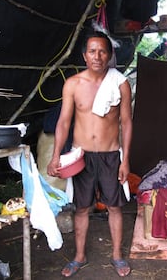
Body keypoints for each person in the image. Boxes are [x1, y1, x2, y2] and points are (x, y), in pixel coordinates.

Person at [47, 31, 133, 277]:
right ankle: (79, 256)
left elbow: (126, 123)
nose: (98, 56)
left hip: (110, 155)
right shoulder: (73, 84)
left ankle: (117, 255)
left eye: (103, 51)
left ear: (110, 55)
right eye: (92, 51)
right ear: (85, 55)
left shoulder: (120, 83)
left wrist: (125, 159)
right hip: (81, 155)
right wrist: (55, 156)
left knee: (114, 207)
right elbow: (64, 122)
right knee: (82, 208)